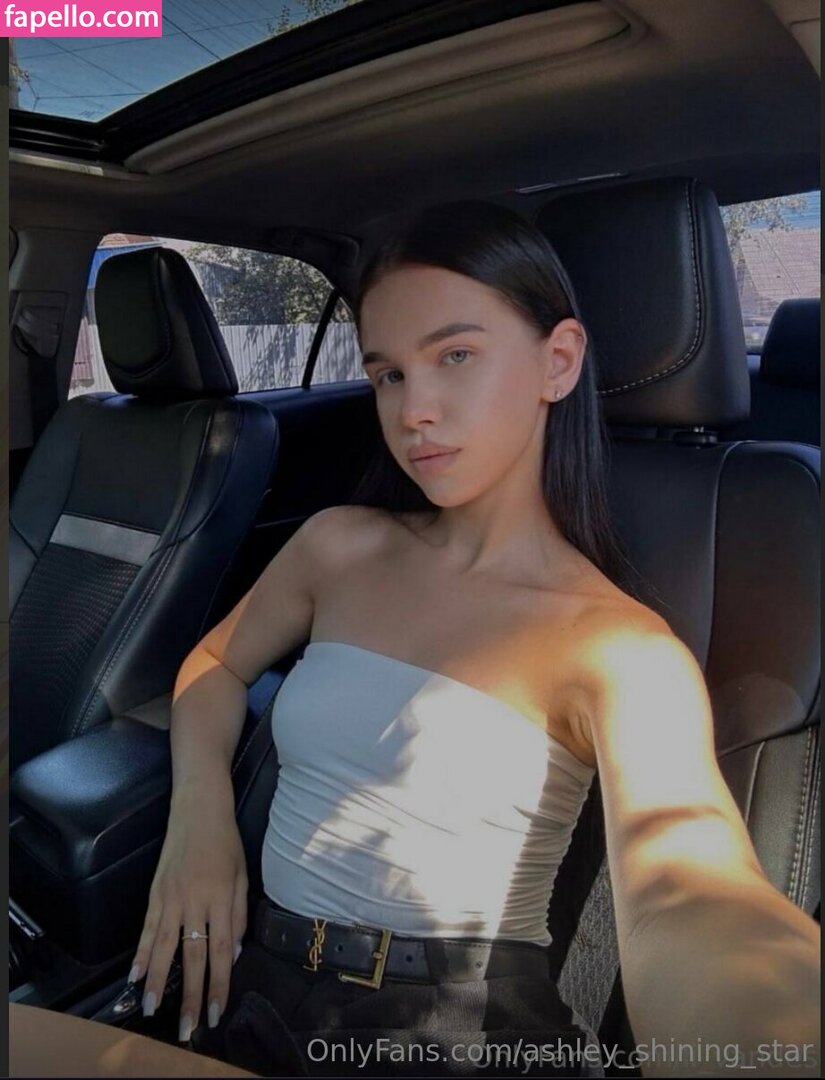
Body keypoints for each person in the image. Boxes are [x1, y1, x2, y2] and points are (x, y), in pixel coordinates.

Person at [123, 201, 819, 1078]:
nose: (414, 410)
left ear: (556, 362)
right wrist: (200, 819)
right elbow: (217, 665)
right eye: (388, 374)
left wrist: (766, 1026)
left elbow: (688, 886)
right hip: (247, 979)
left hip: (450, 1029)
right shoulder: (339, 544)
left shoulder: (619, 650)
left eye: (455, 355)